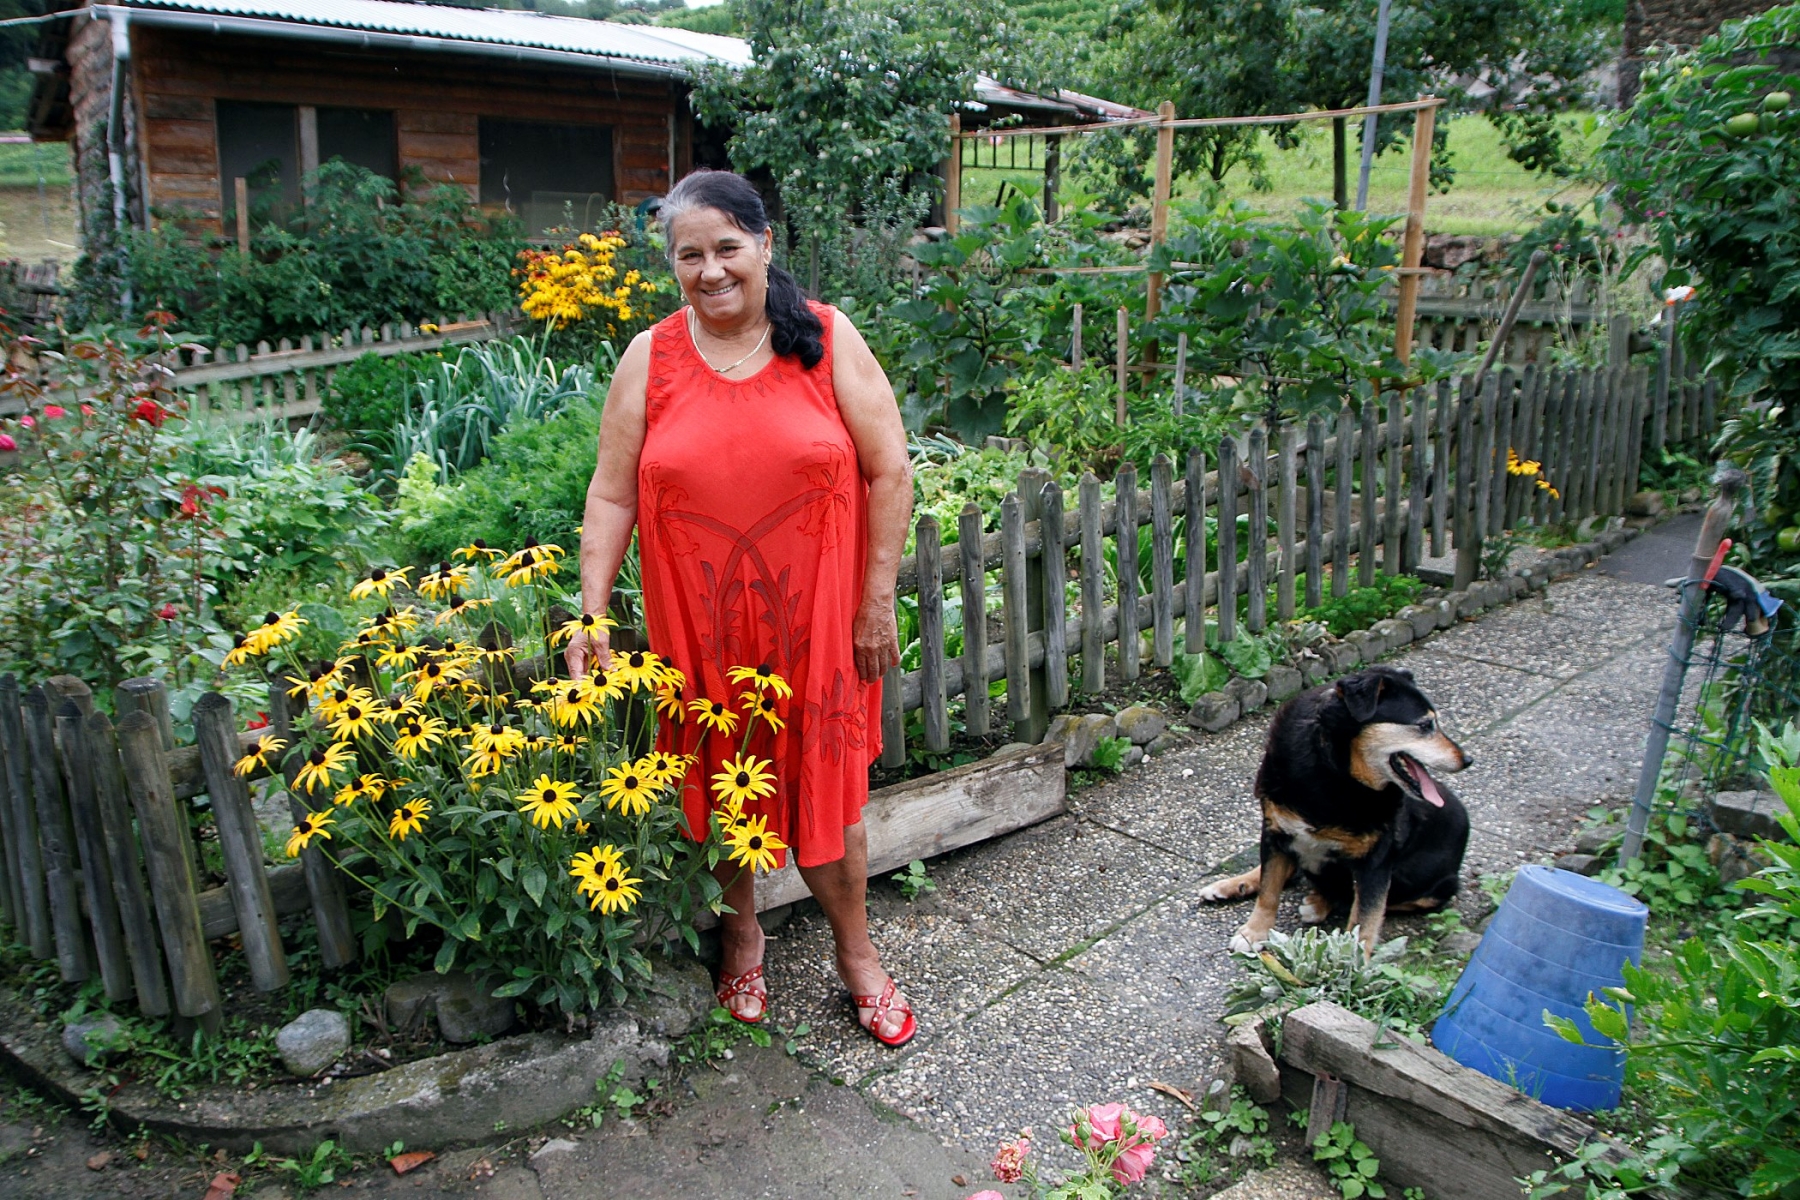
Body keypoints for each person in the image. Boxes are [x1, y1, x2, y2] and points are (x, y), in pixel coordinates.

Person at [567, 170, 917, 1047]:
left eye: (728, 248)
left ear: (764, 245)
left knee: (830, 809)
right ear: (672, 264)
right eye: (691, 255)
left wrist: (876, 606)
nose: (712, 270)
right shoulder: (651, 357)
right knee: (726, 796)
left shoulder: (826, 340)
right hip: (702, 635)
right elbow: (610, 497)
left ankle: (857, 955)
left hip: (818, 633)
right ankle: (743, 933)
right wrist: (593, 613)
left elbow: (891, 471)